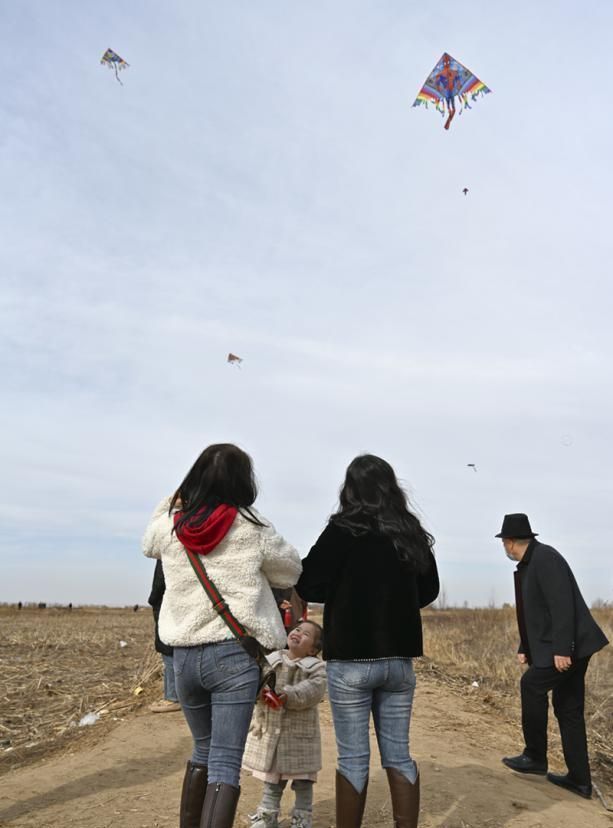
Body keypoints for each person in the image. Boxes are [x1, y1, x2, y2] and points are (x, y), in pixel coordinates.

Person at [142, 443, 302, 828]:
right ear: (243, 481)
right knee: (226, 761)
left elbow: (148, 544)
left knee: (203, 749)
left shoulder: (170, 525)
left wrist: (171, 501)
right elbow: (290, 572)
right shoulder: (251, 525)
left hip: (183, 658)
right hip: (234, 655)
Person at [296, 454, 439, 828]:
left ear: (350, 488)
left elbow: (308, 583)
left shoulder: (342, 530)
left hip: (351, 661)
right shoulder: (409, 530)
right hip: (398, 661)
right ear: (391, 488)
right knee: (399, 756)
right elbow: (429, 590)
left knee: (353, 760)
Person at [497, 513, 609, 799]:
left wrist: (563, 649)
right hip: (569, 645)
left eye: (504, 543)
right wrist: (526, 647)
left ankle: (535, 756)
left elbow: (562, 605)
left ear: (509, 543)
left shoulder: (545, 558)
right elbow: (535, 614)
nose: (505, 548)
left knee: (531, 685)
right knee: (568, 707)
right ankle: (580, 780)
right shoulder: (530, 563)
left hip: (572, 645)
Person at [243, 620, 326, 828]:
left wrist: (288, 695)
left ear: (313, 649)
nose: (298, 633)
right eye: (297, 629)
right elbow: (258, 681)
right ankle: (267, 816)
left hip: (300, 738)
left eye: (306, 634)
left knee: (303, 782)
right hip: (272, 734)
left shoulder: (316, 668)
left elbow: (314, 690)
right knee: (273, 781)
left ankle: (302, 818)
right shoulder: (271, 660)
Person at [147, 559, 181, 713]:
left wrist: (153, 600)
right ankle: (176, 696)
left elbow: (158, 585)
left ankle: (172, 698)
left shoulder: (166, 554)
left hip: (167, 609)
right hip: (181, 609)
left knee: (169, 654)